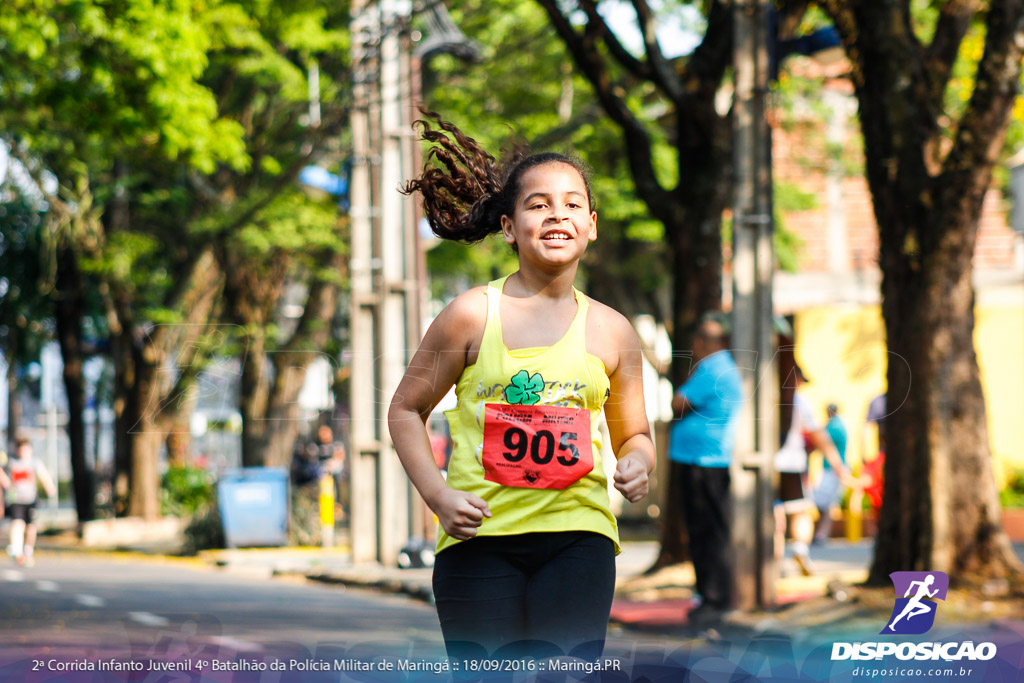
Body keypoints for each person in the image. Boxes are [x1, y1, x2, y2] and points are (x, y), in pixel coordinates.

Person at [388, 111, 655, 662]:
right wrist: (438, 496)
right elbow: (405, 410)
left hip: (579, 540)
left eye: (572, 204)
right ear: (509, 227)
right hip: (479, 541)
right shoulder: (469, 315)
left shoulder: (613, 330)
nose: (557, 215)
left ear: (592, 224)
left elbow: (636, 435)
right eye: (538, 204)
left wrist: (638, 463)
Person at [668, 319, 743, 625]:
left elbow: (678, 402)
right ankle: (711, 596)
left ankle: (713, 598)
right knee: (709, 531)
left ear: (703, 342)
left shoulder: (712, 368)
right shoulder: (722, 366)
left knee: (706, 533)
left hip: (703, 462)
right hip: (707, 460)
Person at [773, 366, 851, 575]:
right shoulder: (800, 402)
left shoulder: (766, 395)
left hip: (771, 463)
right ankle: (800, 547)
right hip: (792, 462)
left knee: (774, 514)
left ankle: (775, 561)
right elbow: (819, 436)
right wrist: (838, 465)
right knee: (800, 510)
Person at [5, 437, 57, 567]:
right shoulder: (12, 462)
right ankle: (17, 550)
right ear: (17, 450)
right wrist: (7, 484)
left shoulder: (34, 462)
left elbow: (43, 474)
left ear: (30, 449)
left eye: (26, 449)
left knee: (31, 528)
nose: (24, 452)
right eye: (21, 449)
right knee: (17, 524)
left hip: (31, 499)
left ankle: (28, 550)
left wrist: (49, 487)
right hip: (16, 499)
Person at [812, 403, 848, 544]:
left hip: (833, 469)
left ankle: (822, 534)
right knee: (824, 502)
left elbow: (820, 439)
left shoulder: (834, 426)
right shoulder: (838, 424)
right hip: (832, 469)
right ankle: (821, 533)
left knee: (826, 503)